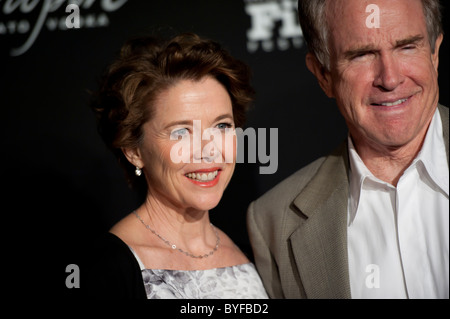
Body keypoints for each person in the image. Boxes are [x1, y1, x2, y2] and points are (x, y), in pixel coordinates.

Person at [247, 0, 448, 299]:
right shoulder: (274, 222)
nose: (390, 79)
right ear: (323, 75)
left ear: (434, 53)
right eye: (362, 55)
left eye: (407, 47)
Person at [85, 33, 268, 299]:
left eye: (221, 126)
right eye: (181, 132)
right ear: (134, 150)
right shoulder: (105, 271)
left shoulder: (257, 256)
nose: (209, 150)